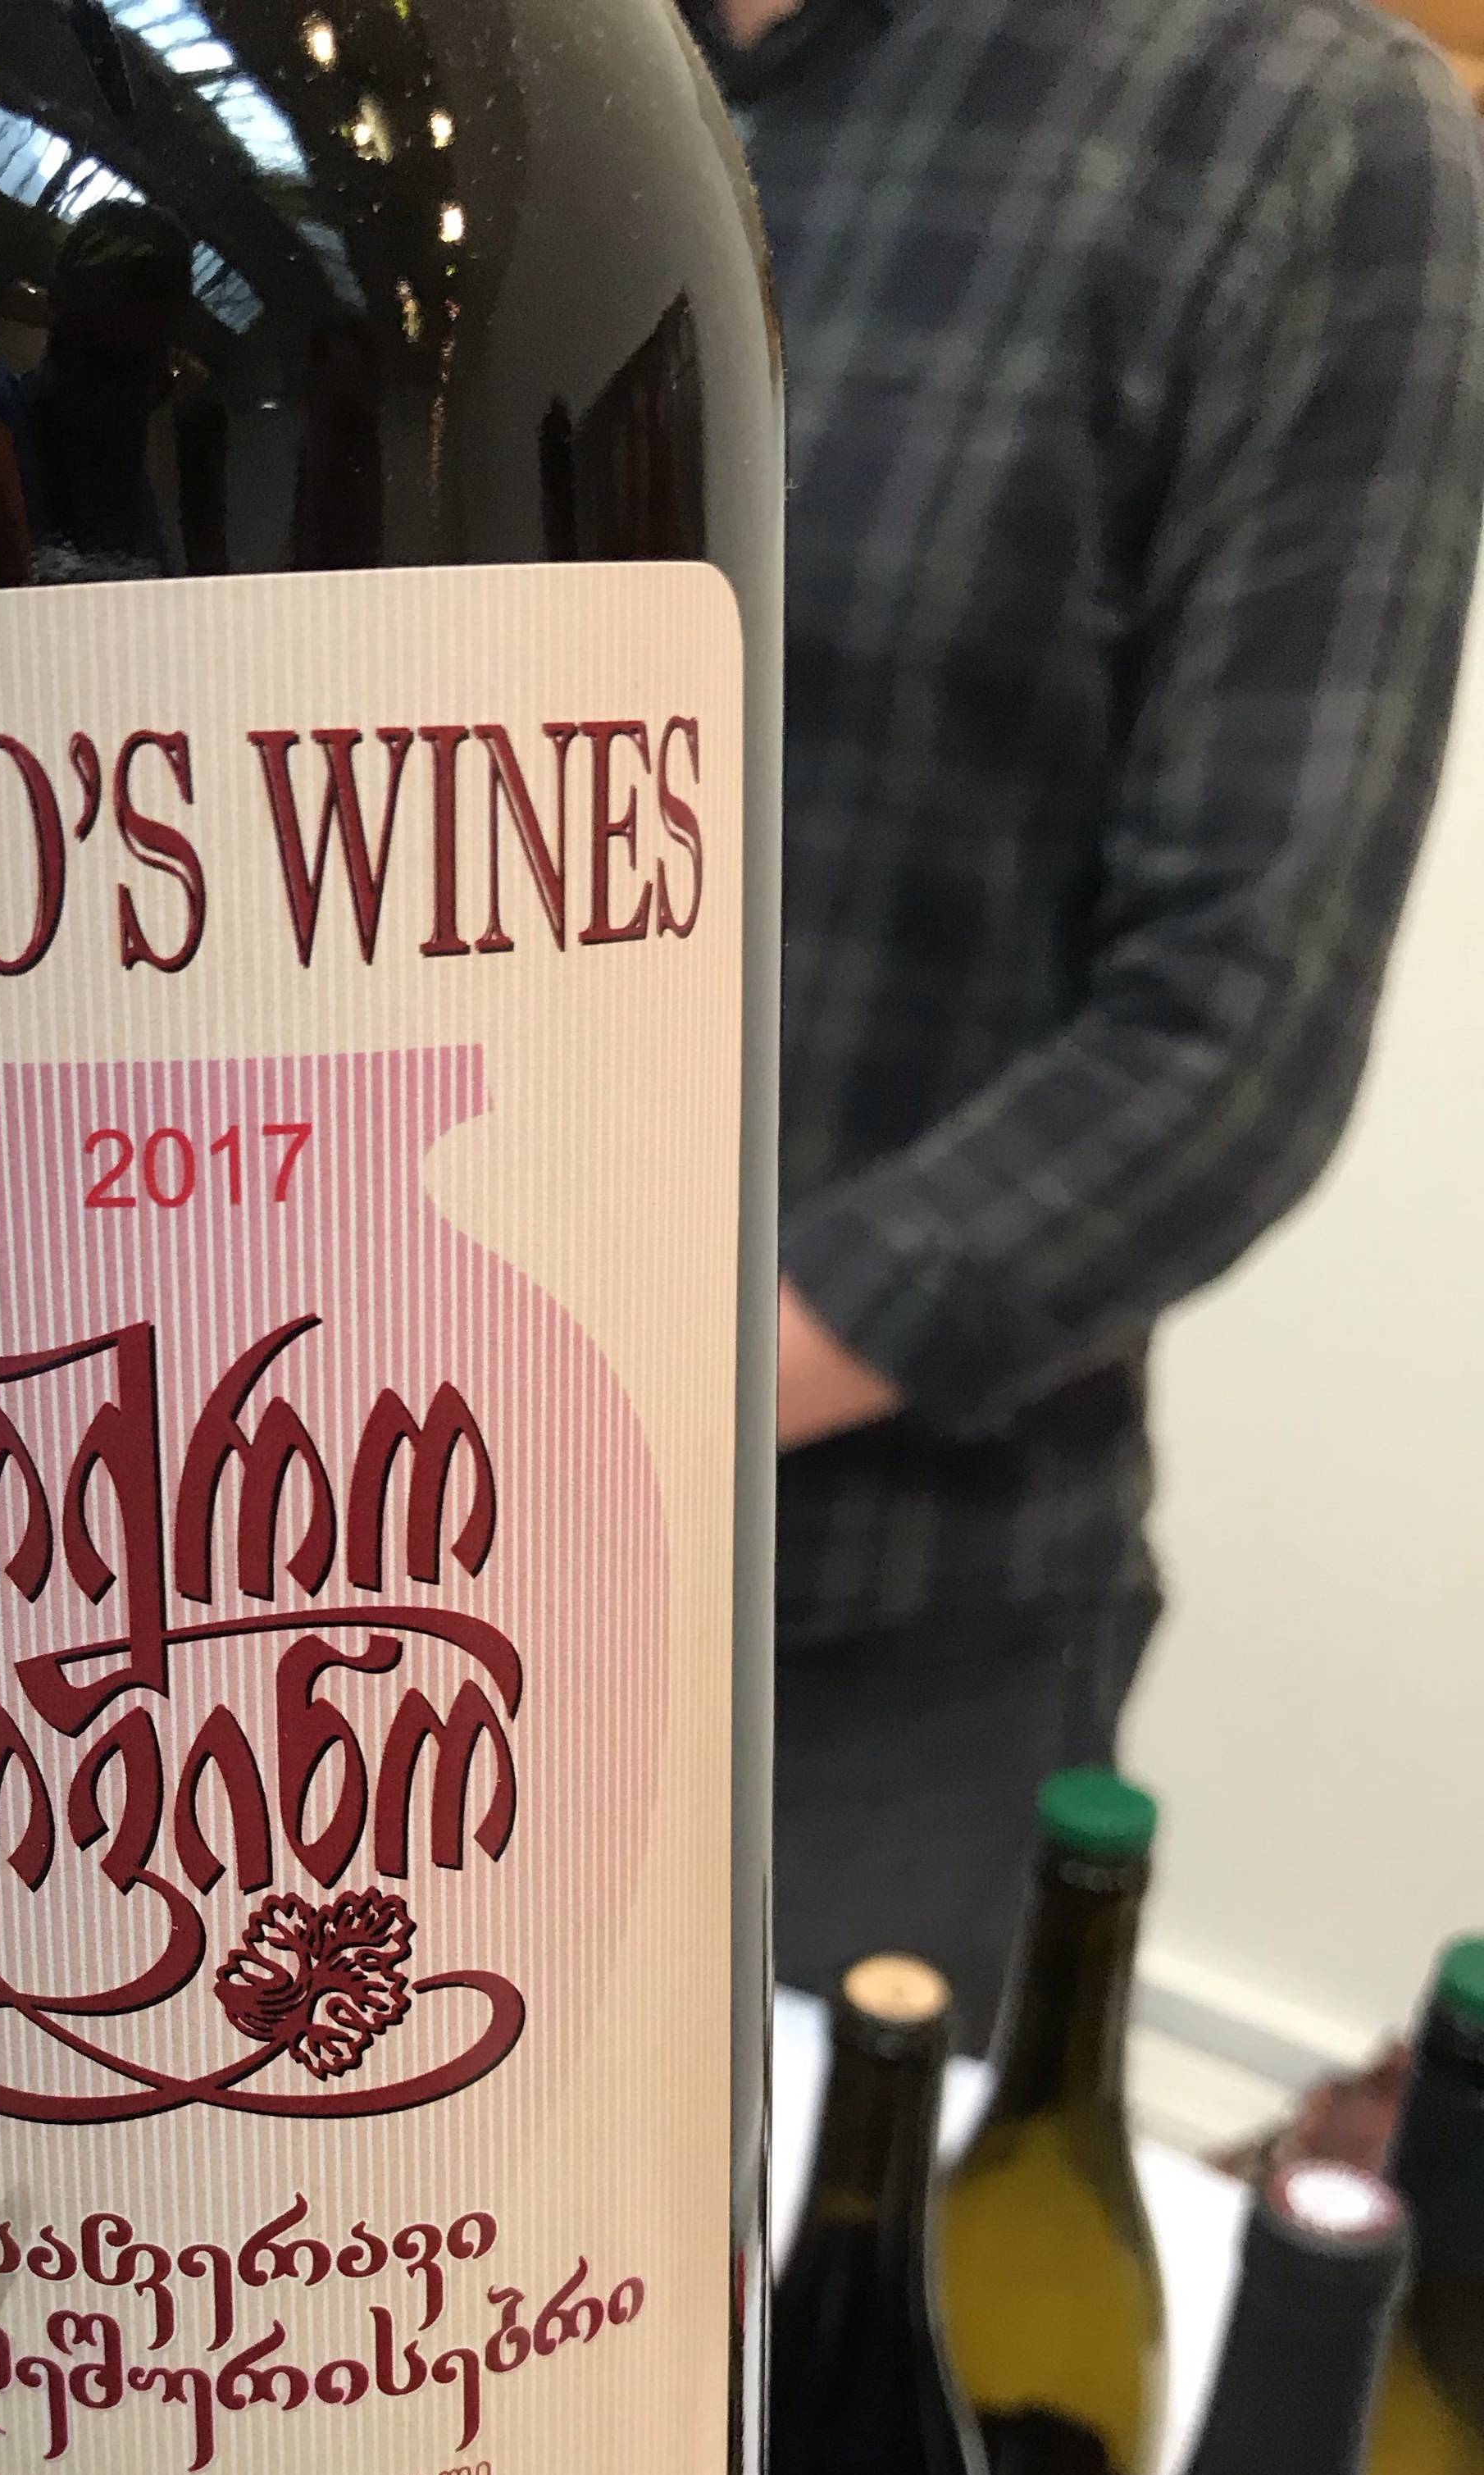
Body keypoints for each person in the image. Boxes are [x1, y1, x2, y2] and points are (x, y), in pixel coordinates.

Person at [690, 0, 1484, 2043]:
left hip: (861, 1645)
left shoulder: (1293, 133)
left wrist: (608, 1416)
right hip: (322, 1563)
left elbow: (1233, 1036)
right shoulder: (468, 84)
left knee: (807, 2241)